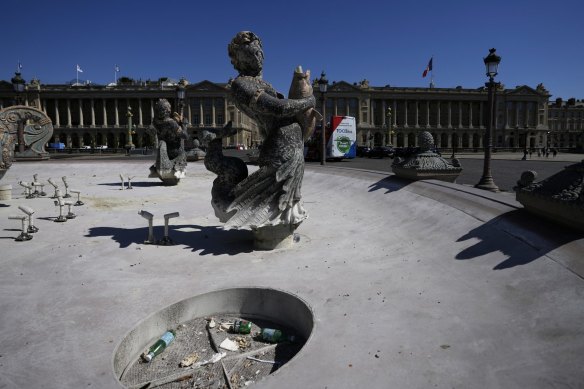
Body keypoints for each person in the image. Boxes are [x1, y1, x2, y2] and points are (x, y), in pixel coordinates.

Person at [204, 31, 316, 229]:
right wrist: (309, 100)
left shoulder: (264, 83)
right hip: (281, 149)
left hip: (290, 147)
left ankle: (276, 232)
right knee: (269, 206)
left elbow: (281, 112)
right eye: (248, 54)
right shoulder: (241, 84)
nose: (256, 57)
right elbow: (278, 108)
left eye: (258, 52)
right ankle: (265, 232)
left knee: (284, 203)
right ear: (237, 60)